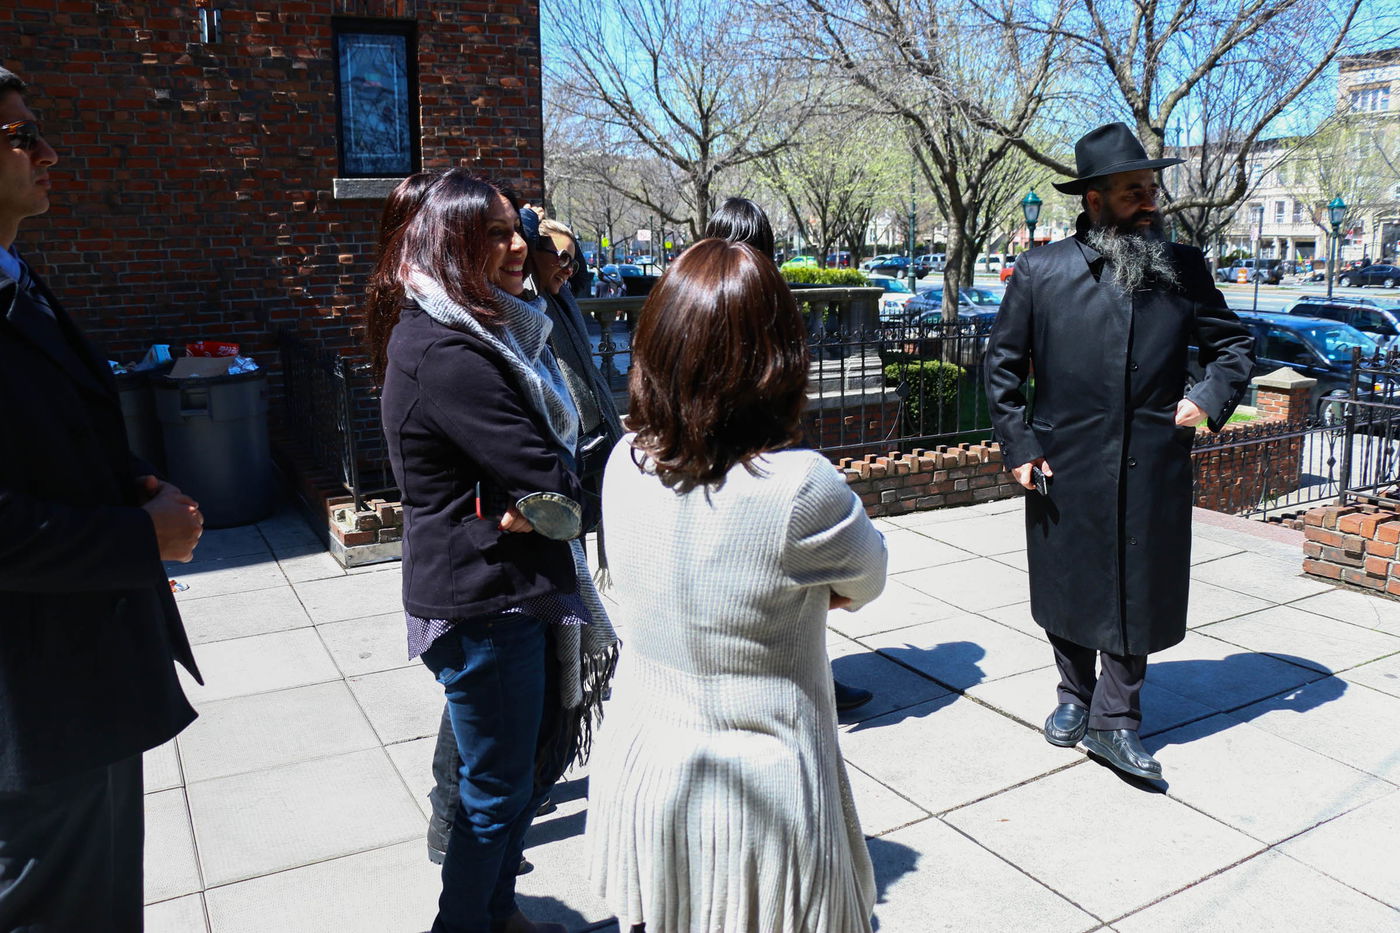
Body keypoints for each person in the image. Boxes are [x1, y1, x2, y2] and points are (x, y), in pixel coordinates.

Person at [586, 239, 887, 932]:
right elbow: (868, 577)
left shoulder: (622, 462)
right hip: (761, 807)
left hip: (647, 776)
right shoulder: (799, 488)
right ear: (778, 357)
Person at [368, 169, 616, 933]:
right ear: (453, 246)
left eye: (520, 229)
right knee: (493, 793)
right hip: (486, 603)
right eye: (499, 234)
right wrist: (537, 503)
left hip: (515, 588)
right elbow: (552, 479)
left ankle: (498, 912)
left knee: (511, 783)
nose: (521, 246)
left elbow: (545, 490)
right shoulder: (446, 351)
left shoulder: (482, 330)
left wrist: (537, 505)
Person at [983, 122, 1254, 781]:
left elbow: (1233, 349)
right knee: (1068, 586)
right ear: (1095, 200)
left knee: (1137, 593)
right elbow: (1001, 366)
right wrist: (1019, 442)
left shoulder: (1183, 270)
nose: (1150, 201)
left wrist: (1207, 397)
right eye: (1133, 191)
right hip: (1063, 465)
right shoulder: (1042, 272)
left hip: (1152, 467)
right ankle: (1074, 696)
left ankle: (1116, 721)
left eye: (1151, 188)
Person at [0, 65, 204, 930]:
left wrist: (133, 481)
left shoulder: (20, 278)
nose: (50, 152)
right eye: (22, 137)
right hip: (34, 714)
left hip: (84, 692)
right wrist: (138, 534)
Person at [421, 207, 626, 872]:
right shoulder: (470, 339)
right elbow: (493, 469)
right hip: (496, 571)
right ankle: (459, 832)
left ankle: (496, 838)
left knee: (511, 716)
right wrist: (540, 498)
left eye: (574, 260)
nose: (566, 267)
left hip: (552, 521)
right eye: (554, 254)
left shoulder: (539, 311)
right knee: (486, 713)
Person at [703, 196, 875, 714]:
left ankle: (814, 671)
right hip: (742, 454)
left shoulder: (766, 303)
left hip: (763, 448)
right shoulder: (714, 303)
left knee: (790, 573)